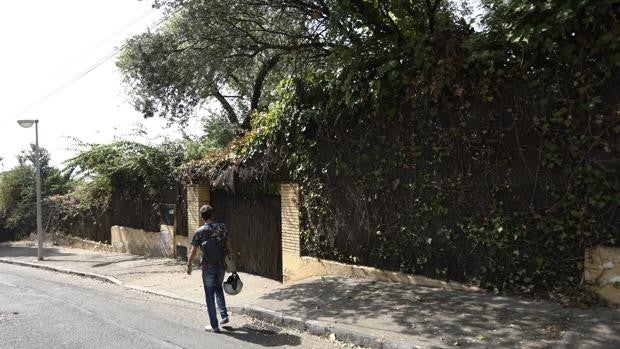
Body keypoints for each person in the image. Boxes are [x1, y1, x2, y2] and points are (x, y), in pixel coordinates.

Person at [186, 204, 236, 333]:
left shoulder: (199, 232)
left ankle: (214, 326)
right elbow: (228, 244)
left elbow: (193, 251)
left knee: (209, 295)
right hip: (221, 265)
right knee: (218, 287)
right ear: (212, 215)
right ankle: (224, 315)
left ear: (202, 217)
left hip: (208, 267)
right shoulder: (222, 227)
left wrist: (189, 265)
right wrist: (231, 259)